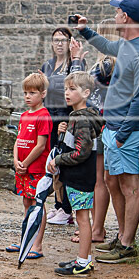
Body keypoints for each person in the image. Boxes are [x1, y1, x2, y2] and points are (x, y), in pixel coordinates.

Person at [74, 0, 139, 263]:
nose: (114, 16)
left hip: (126, 131)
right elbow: (106, 44)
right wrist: (85, 30)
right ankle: (122, 235)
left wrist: (122, 134)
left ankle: (127, 244)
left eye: (117, 12)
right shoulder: (126, 45)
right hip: (112, 127)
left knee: (129, 185)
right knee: (112, 181)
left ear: (126, 17)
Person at [49, 72, 103, 276]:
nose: (67, 93)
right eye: (66, 89)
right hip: (79, 176)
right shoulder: (78, 117)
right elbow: (72, 144)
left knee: (82, 219)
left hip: (80, 176)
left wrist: (58, 160)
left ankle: (82, 263)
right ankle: (85, 258)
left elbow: (82, 152)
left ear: (86, 93)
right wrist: (63, 131)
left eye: (73, 89)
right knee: (82, 218)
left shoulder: (82, 120)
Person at [79, 18, 118, 247]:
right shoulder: (113, 64)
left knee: (99, 180)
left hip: (99, 124)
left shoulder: (106, 65)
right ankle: (97, 226)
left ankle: (97, 227)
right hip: (103, 124)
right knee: (102, 179)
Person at [5, 73, 52, 259]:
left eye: (32, 92)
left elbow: (41, 145)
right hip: (23, 168)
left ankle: (37, 245)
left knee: (37, 204)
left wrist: (26, 163)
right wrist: (16, 161)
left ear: (42, 94)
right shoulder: (24, 115)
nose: (27, 96)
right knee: (26, 202)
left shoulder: (43, 116)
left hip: (36, 169)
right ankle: (26, 240)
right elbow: (18, 140)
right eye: (25, 92)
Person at [41, 27, 85, 225]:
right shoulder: (48, 65)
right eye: (56, 40)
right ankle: (59, 205)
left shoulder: (74, 64)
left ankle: (67, 209)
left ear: (70, 43)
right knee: (52, 163)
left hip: (66, 118)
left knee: (63, 162)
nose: (59, 43)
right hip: (50, 117)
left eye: (63, 40)